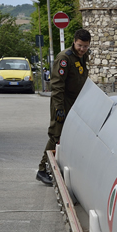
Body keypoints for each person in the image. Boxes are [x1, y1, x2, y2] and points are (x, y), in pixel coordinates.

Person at [36, 28, 91, 185]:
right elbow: (57, 85)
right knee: (56, 135)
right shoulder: (64, 58)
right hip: (62, 101)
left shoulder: (83, 56)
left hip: (76, 103)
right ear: (74, 42)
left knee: (74, 136)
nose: (82, 49)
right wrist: (59, 108)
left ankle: (64, 167)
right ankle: (42, 169)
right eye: (80, 45)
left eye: (85, 46)